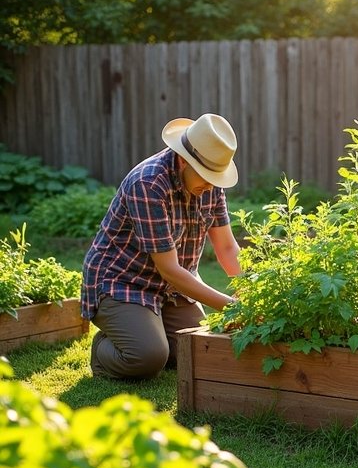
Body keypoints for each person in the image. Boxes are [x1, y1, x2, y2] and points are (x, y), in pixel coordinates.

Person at [82, 113, 241, 379]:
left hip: (173, 289)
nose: (211, 185)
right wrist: (232, 306)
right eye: (206, 176)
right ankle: (104, 350)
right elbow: (169, 269)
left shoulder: (209, 184)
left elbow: (226, 248)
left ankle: (145, 330)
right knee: (148, 357)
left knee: (197, 350)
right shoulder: (148, 184)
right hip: (122, 282)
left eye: (216, 177)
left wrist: (254, 294)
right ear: (184, 160)